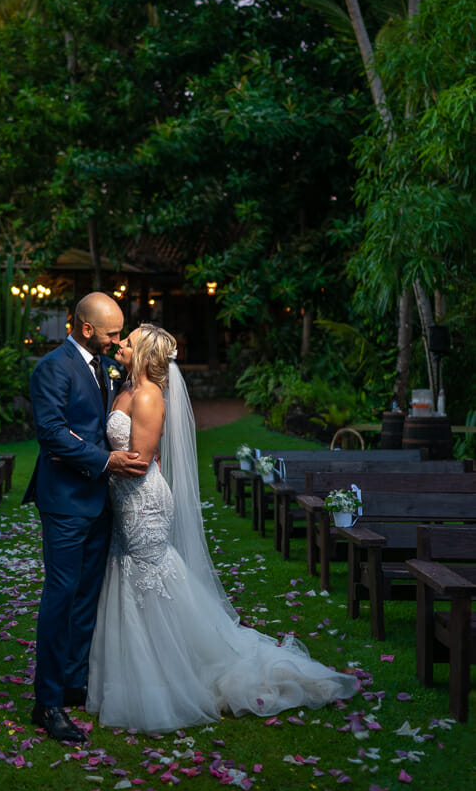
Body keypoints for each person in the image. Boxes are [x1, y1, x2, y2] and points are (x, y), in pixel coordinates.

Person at [86, 324, 359, 734]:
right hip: (124, 498)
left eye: (128, 341)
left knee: (148, 577)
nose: (120, 344)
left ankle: (171, 674)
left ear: (143, 352)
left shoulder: (147, 395)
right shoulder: (124, 388)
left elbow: (140, 461)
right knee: (131, 574)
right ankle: (138, 669)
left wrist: (92, 457)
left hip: (142, 500)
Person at [23, 292, 146, 743]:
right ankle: (48, 702)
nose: (118, 342)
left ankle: (74, 683)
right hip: (66, 502)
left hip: (101, 501)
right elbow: (52, 433)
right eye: (112, 333)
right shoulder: (52, 368)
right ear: (86, 328)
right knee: (61, 596)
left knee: (87, 596)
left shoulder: (106, 365)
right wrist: (106, 462)